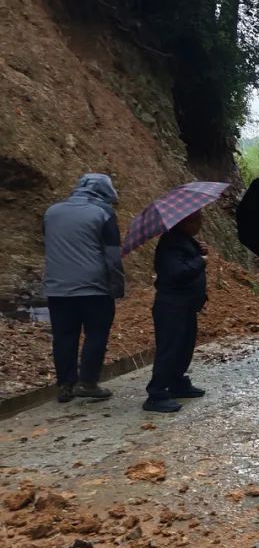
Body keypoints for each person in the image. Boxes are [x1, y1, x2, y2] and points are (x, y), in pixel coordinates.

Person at [42, 173, 125, 403]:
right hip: (94, 288)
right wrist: (117, 287)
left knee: (63, 336)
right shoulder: (104, 214)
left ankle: (65, 385)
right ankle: (87, 382)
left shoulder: (51, 212)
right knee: (96, 334)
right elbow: (113, 257)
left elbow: (49, 242)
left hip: (57, 289)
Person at [144, 210, 209, 413]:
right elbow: (177, 272)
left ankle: (177, 381)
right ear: (185, 222)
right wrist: (201, 261)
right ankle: (156, 393)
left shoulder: (184, 240)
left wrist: (198, 250)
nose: (200, 224)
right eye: (197, 220)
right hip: (172, 304)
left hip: (186, 304)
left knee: (184, 346)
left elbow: (186, 260)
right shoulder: (171, 242)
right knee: (170, 347)